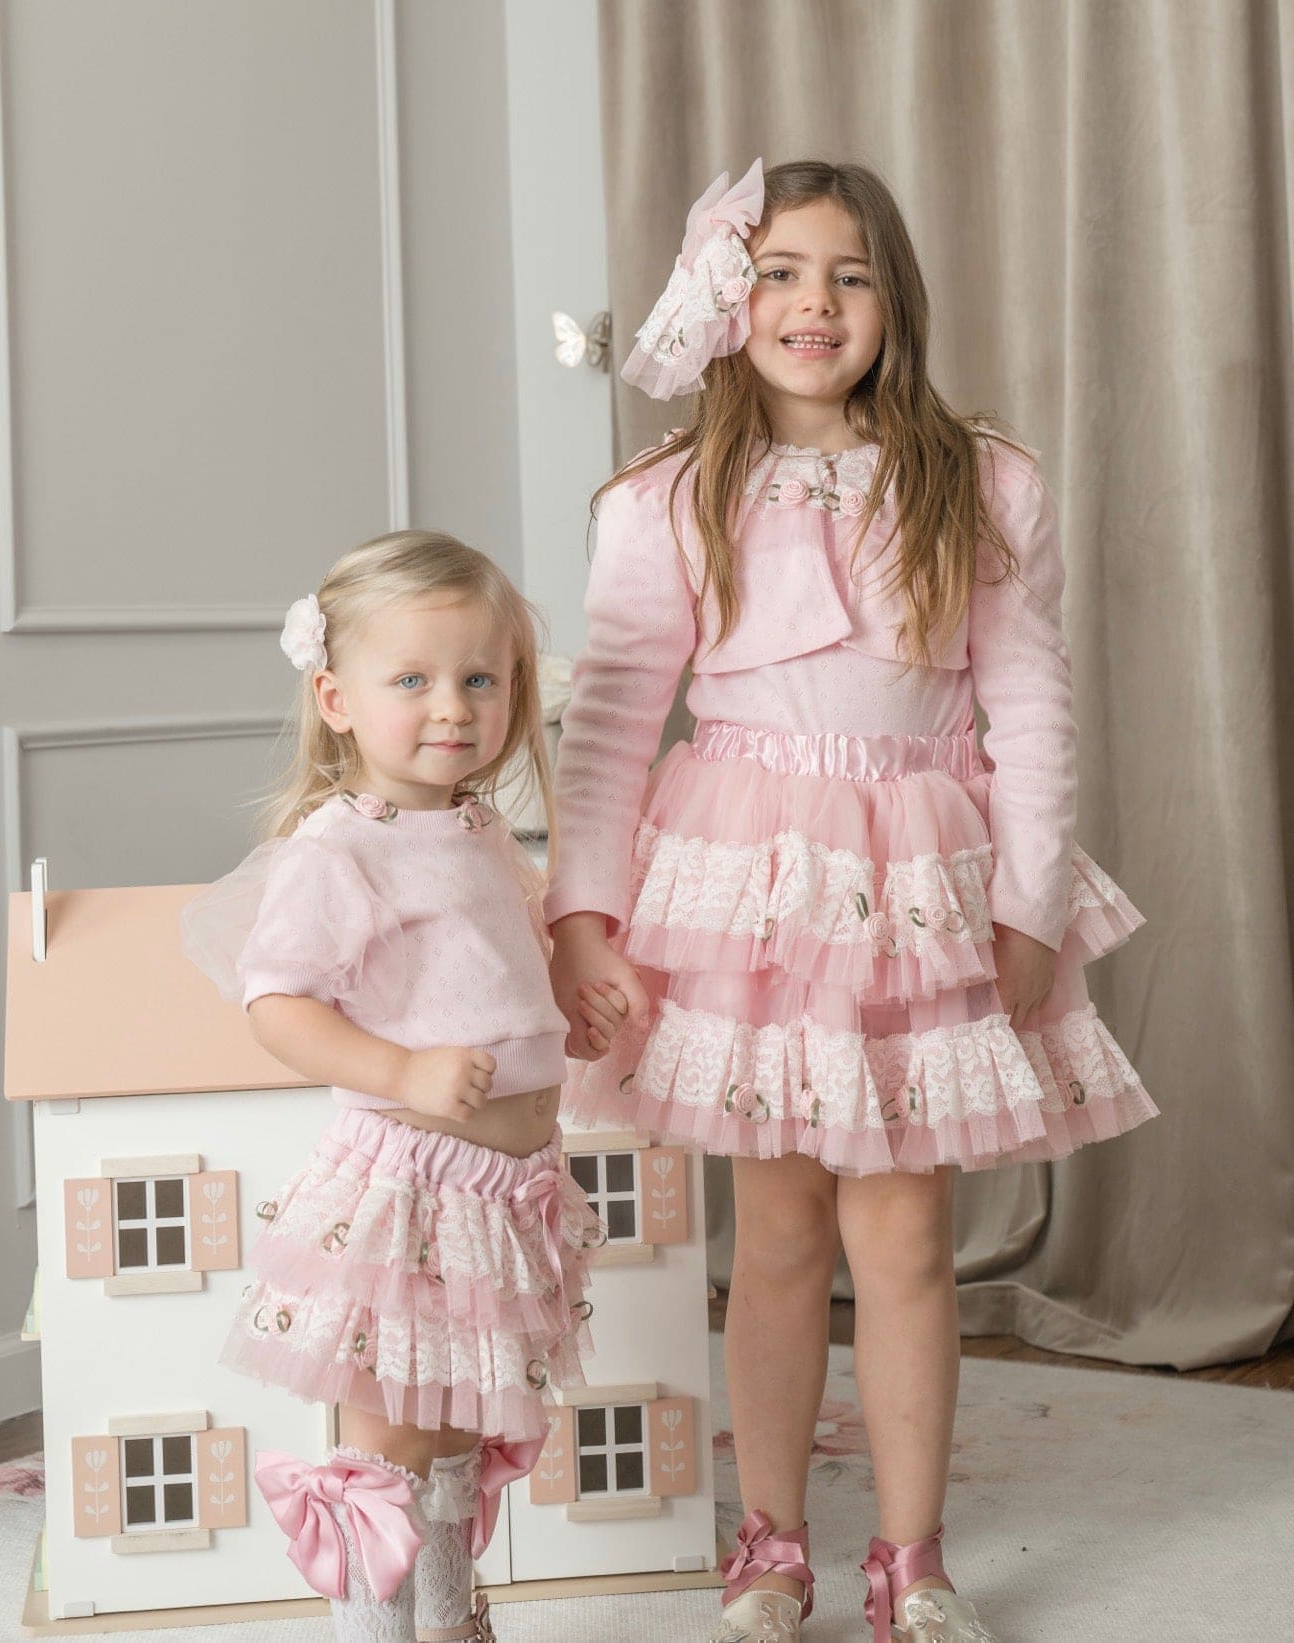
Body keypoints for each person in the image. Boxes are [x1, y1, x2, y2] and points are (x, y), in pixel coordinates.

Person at [547, 158, 1159, 1643]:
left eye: (849, 275)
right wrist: (581, 910)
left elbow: (1034, 706)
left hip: (920, 887)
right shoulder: (665, 496)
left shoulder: (982, 477)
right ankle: (769, 1546)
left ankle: (913, 1554)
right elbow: (619, 715)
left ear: (896, 299)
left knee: (901, 1238)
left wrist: (1024, 904)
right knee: (774, 1237)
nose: (814, 304)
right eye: (778, 272)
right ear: (726, 300)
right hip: (744, 888)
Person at [183, 531, 615, 1642]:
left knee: (461, 1429)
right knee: (392, 1441)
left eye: (480, 677)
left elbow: (481, 972)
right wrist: (402, 1070)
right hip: (410, 1187)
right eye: (412, 680)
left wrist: (566, 1004)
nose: (453, 708)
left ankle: (448, 1620)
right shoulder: (340, 849)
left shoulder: (474, 827)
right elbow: (279, 1005)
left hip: (502, 1186)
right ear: (335, 696)